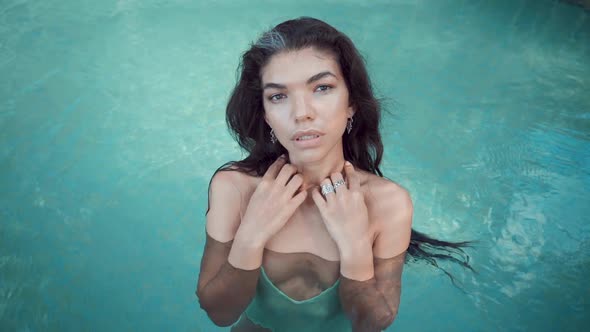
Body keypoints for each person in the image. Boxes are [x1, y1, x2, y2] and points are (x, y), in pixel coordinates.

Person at [196, 17, 472, 332]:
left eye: (322, 88)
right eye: (278, 96)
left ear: (351, 102)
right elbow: (219, 313)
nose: (302, 113)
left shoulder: (388, 204)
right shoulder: (235, 188)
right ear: (266, 115)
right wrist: (252, 234)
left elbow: (371, 324)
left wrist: (355, 246)